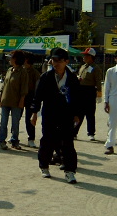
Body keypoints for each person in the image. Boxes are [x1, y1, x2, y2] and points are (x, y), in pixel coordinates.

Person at [30, 47, 80, 183]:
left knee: (68, 143)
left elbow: (77, 97)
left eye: (59, 60)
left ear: (66, 61)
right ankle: (44, 166)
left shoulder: (72, 78)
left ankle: (70, 171)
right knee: (47, 140)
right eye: (53, 60)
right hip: (49, 113)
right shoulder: (45, 77)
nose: (55, 63)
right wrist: (34, 113)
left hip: (67, 114)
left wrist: (77, 114)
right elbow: (37, 96)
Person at [0, 50, 28, 150]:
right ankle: (2, 141)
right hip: (5, 100)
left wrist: (22, 100)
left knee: (15, 123)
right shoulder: (9, 70)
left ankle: (15, 141)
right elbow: (4, 85)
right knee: (3, 122)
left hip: (16, 101)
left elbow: (24, 88)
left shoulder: (23, 72)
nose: (9, 59)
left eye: (11, 57)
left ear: (15, 59)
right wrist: (0, 97)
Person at [74, 48, 103, 141]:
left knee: (90, 113)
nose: (84, 57)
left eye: (86, 55)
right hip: (80, 91)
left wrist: (99, 94)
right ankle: (74, 132)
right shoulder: (83, 66)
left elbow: (98, 81)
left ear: (91, 57)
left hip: (90, 91)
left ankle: (91, 133)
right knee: (79, 113)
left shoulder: (96, 68)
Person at [23, 52, 41, 148]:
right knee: (16, 117)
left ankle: (31, 138)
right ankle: (14, 136)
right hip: (20, 96)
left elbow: (37, 88)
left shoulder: (35, 73)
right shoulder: (21, 70)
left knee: (29, 119)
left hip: (30, 96)